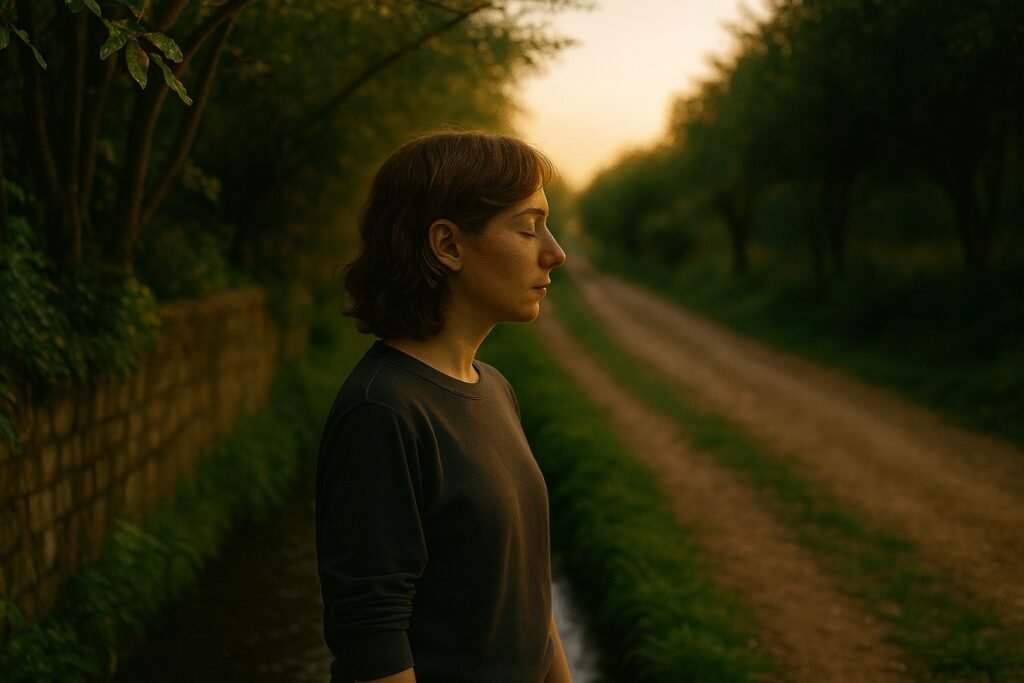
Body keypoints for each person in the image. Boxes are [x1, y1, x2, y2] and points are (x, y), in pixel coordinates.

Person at [314, 130, 572, 683]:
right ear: (448, 246)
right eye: (528, 229)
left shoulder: (495, 388)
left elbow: (526, 597)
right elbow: (373, 641)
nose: (555, 252)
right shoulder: (382, 412)